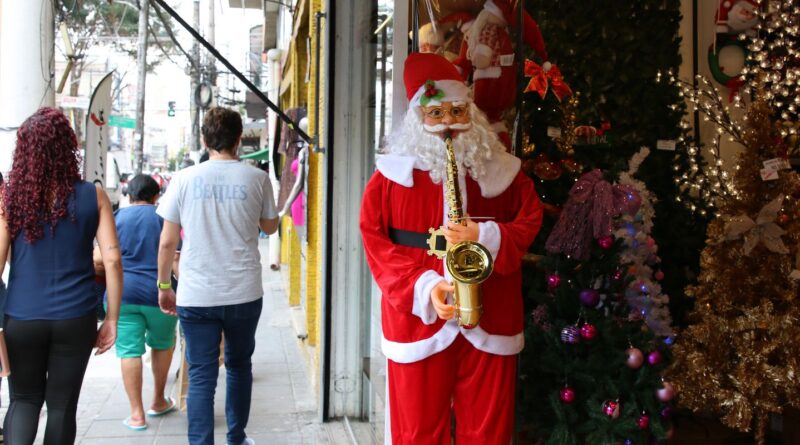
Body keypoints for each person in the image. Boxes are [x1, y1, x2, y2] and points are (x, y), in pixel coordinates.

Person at [359, 53, 544, 444]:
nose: (447, 123)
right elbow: (375, 241)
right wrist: (424, 287)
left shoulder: (503, 171)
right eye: (436, 113)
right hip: (418, 318)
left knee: (488, 431)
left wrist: (485, 238)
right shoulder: (389, 177)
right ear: (416, 118)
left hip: (491, 312)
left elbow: (529, 219)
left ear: (471, 112)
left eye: (457, 111)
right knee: (417, 431)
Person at [156, 107, 279, 445]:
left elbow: (167, 242)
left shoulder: (183, 179)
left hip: (196, 294)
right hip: (243, 292)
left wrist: (165, 285)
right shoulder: (256, 178)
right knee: (239, 367)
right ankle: (236, 438)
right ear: (240, 140)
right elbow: (270, 225)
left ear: (204, 140)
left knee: (200, 376)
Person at [0, 107, 121, 444]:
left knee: (23, 402)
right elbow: (112, 260)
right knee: (62, 408)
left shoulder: (11, 199)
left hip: (22, 317)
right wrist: (111, 318)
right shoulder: (92, 195)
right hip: (75, 318)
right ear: (69, 146)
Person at [94, 174, 178, 431]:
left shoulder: (117, 217)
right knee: (163, 345)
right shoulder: (165, 217)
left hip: (123, 295)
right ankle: (158, 401)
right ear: (156, 196)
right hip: (160, 294)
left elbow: (99, 259)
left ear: (129, 196)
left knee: (130, 351)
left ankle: (137, 414)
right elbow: (175, 257)